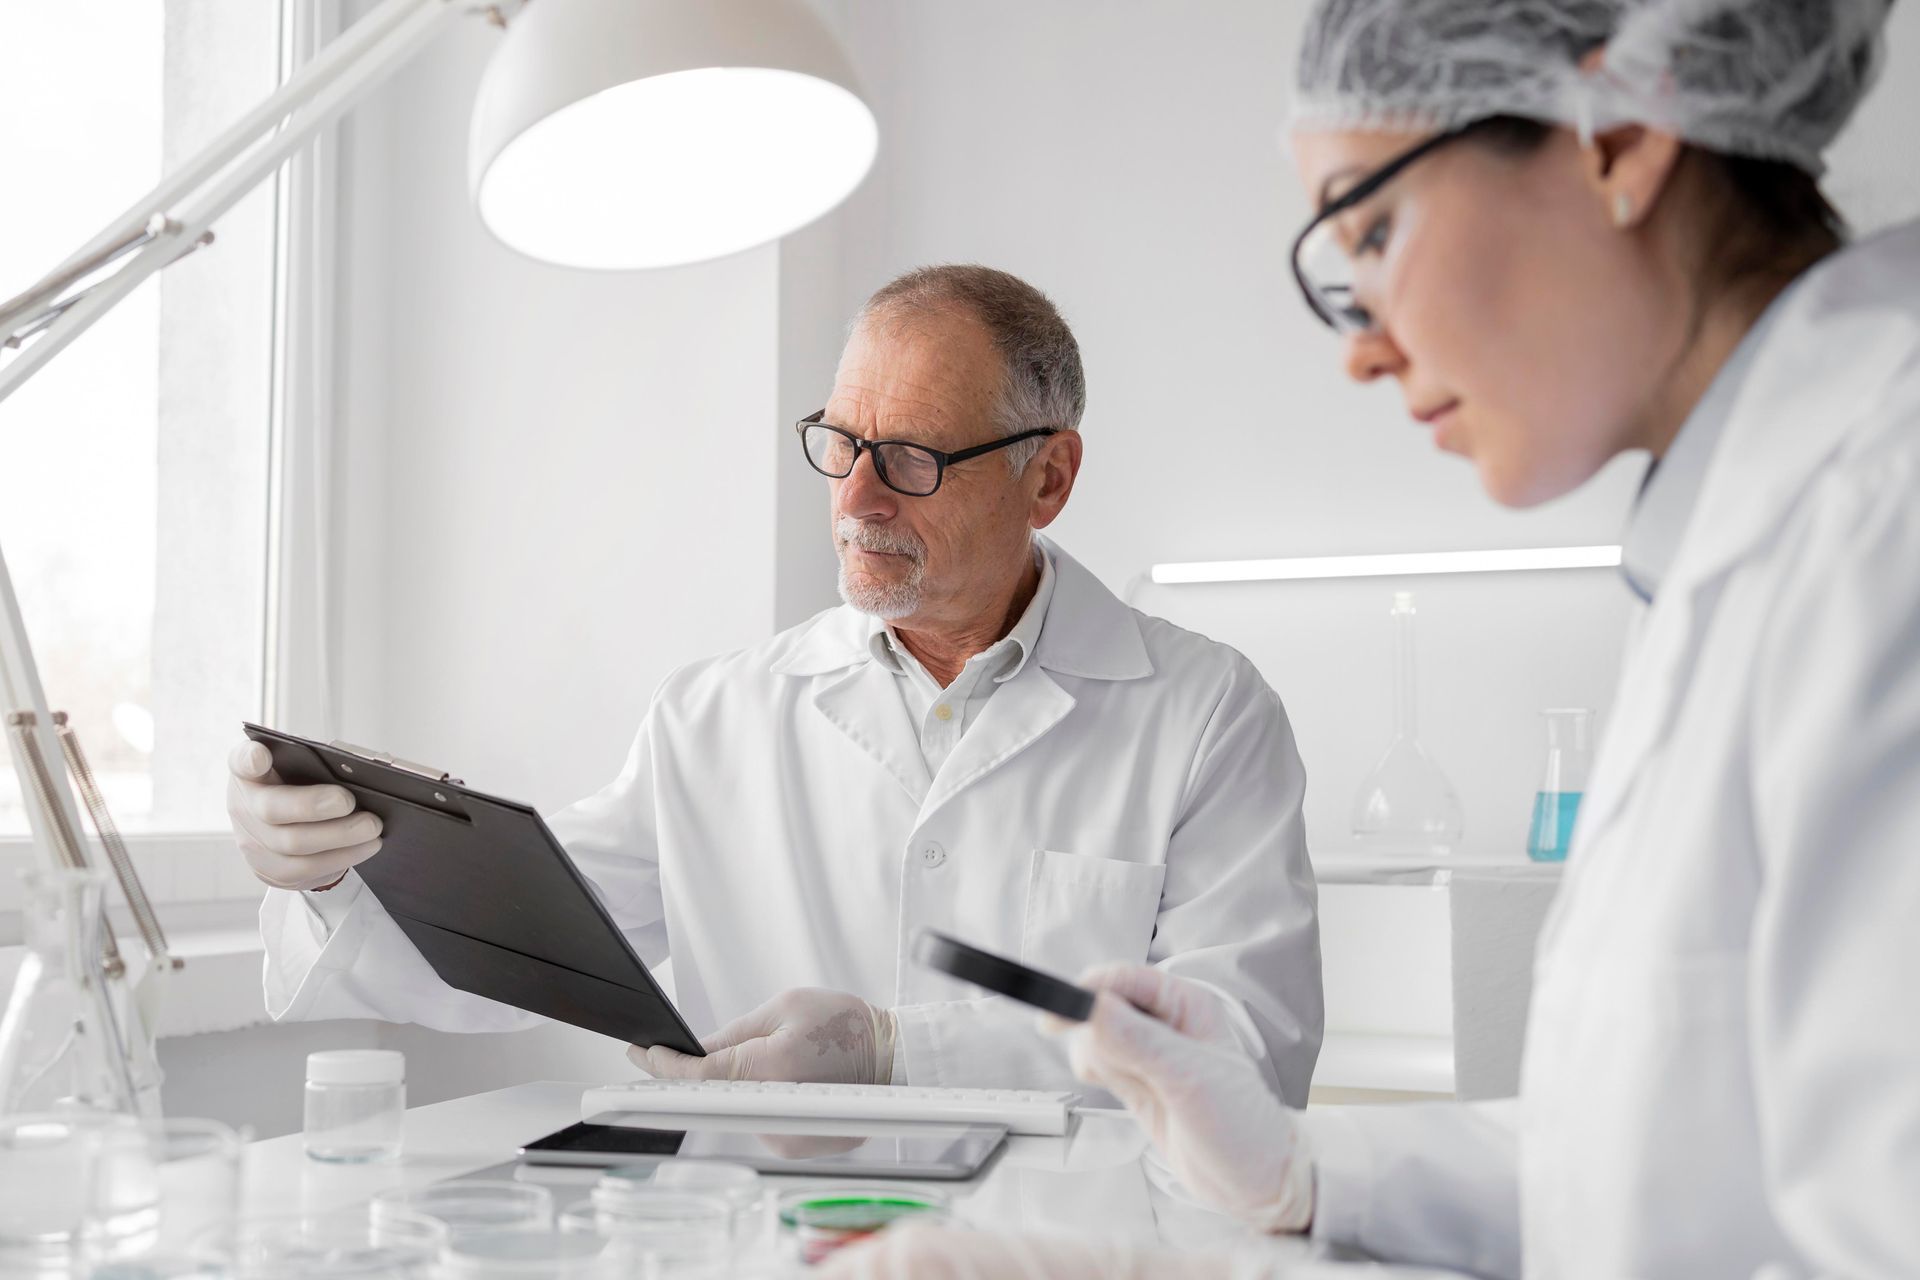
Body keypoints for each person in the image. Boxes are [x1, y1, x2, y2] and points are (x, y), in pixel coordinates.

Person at [824, 1, 1919, 1276]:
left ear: (1618, 136)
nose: (1362, 350)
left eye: (1378, 228)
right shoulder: (1762, 533)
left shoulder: (1880, 518)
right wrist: (1301, 1172)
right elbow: (1650, 1170)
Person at [226, 264, 1323, 1099]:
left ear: (1050, 475)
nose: (857, 499)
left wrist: (898, 1052)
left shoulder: (1203, 712)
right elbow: (521, 951)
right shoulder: (715, 717)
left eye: (913, 459)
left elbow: (1250, 1046)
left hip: (1062, 1249)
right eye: (841, 442)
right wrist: (331, 871)